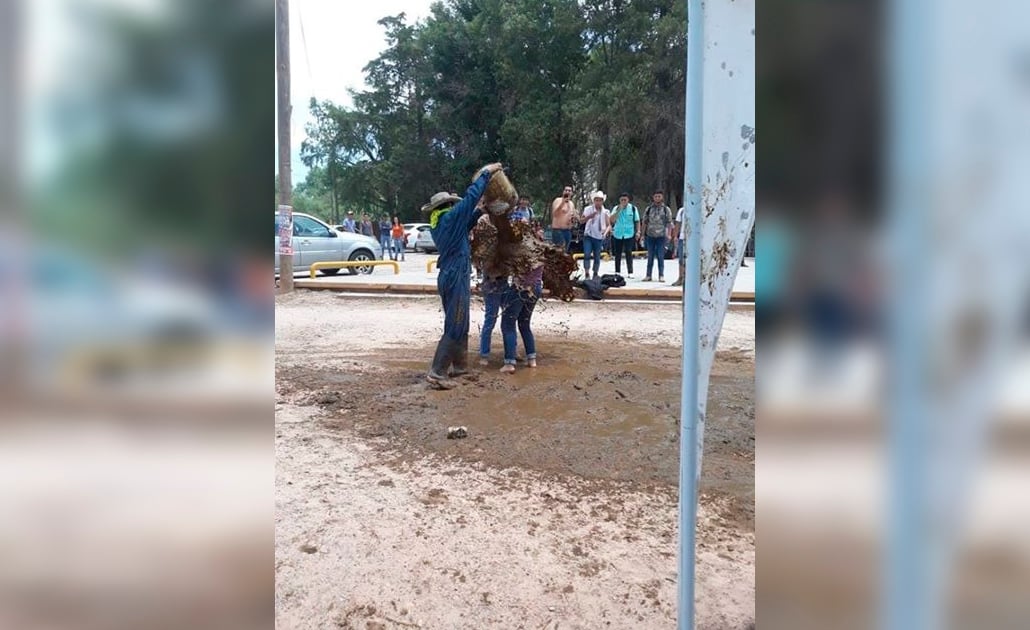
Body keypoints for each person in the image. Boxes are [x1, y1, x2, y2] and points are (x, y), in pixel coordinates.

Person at [423, 162, 504, 387]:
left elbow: (465, 224)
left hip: (450, 273)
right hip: (455, 274)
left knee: (462, 320)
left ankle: (460, 367)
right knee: (456, 322)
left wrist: (481, 211)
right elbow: (470, 197)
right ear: (449, 205)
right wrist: (487, 174)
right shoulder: (450, 217)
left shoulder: (440, 223)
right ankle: (437, 372)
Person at [641, 190, 673, 282]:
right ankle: (648, 275)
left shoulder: (666, 209)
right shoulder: (649, 209)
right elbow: (645, 222)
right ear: (653, 197)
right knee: (650, 256)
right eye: (656, 196)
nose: (657, 198)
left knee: (660, 256)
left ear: (662, 197)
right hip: (650, 236)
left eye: (659, 196)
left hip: (661, 236)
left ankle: (661, 275)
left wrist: (669, 234)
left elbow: (669, 223)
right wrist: (643, 234)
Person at [608, 192, 639, 278]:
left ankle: (630, 271)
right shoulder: (616, 208)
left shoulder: (633, 208)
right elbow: (612, 220)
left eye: (625, 200)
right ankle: (617, 271)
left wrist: (638, 231)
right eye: (622, 200)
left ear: (628, 200)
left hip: (629, 233)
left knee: (628, 252)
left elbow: (637, 221)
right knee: (617, 253)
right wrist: (619, 210)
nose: (623, 201)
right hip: (618, 233)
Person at [581, 191, 608, 280]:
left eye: (600, 200)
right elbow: (582, 221)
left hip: (599, 236)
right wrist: (590, 216)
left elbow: (609, 225)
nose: (598, 202)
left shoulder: (605, 212)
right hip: (588, 235)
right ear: (594, 201)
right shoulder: (588, 209)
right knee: (587, 254)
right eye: (596, 200)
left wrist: (605, 232)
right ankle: (587, 273)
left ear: (602, 201)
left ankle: (595, 273)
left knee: (597, 256)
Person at [550, 185, 575, 252]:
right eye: (566, 190)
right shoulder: (557, 200)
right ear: (563, 192)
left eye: (569, 191)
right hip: (558, 230)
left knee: (565, 252)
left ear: (571, 193)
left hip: (567, 231)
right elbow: (554, 214)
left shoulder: (572, 204)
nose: (567, 192)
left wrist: (572, 220)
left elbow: (572, 216)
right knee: (559, 251)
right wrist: (562, 202)